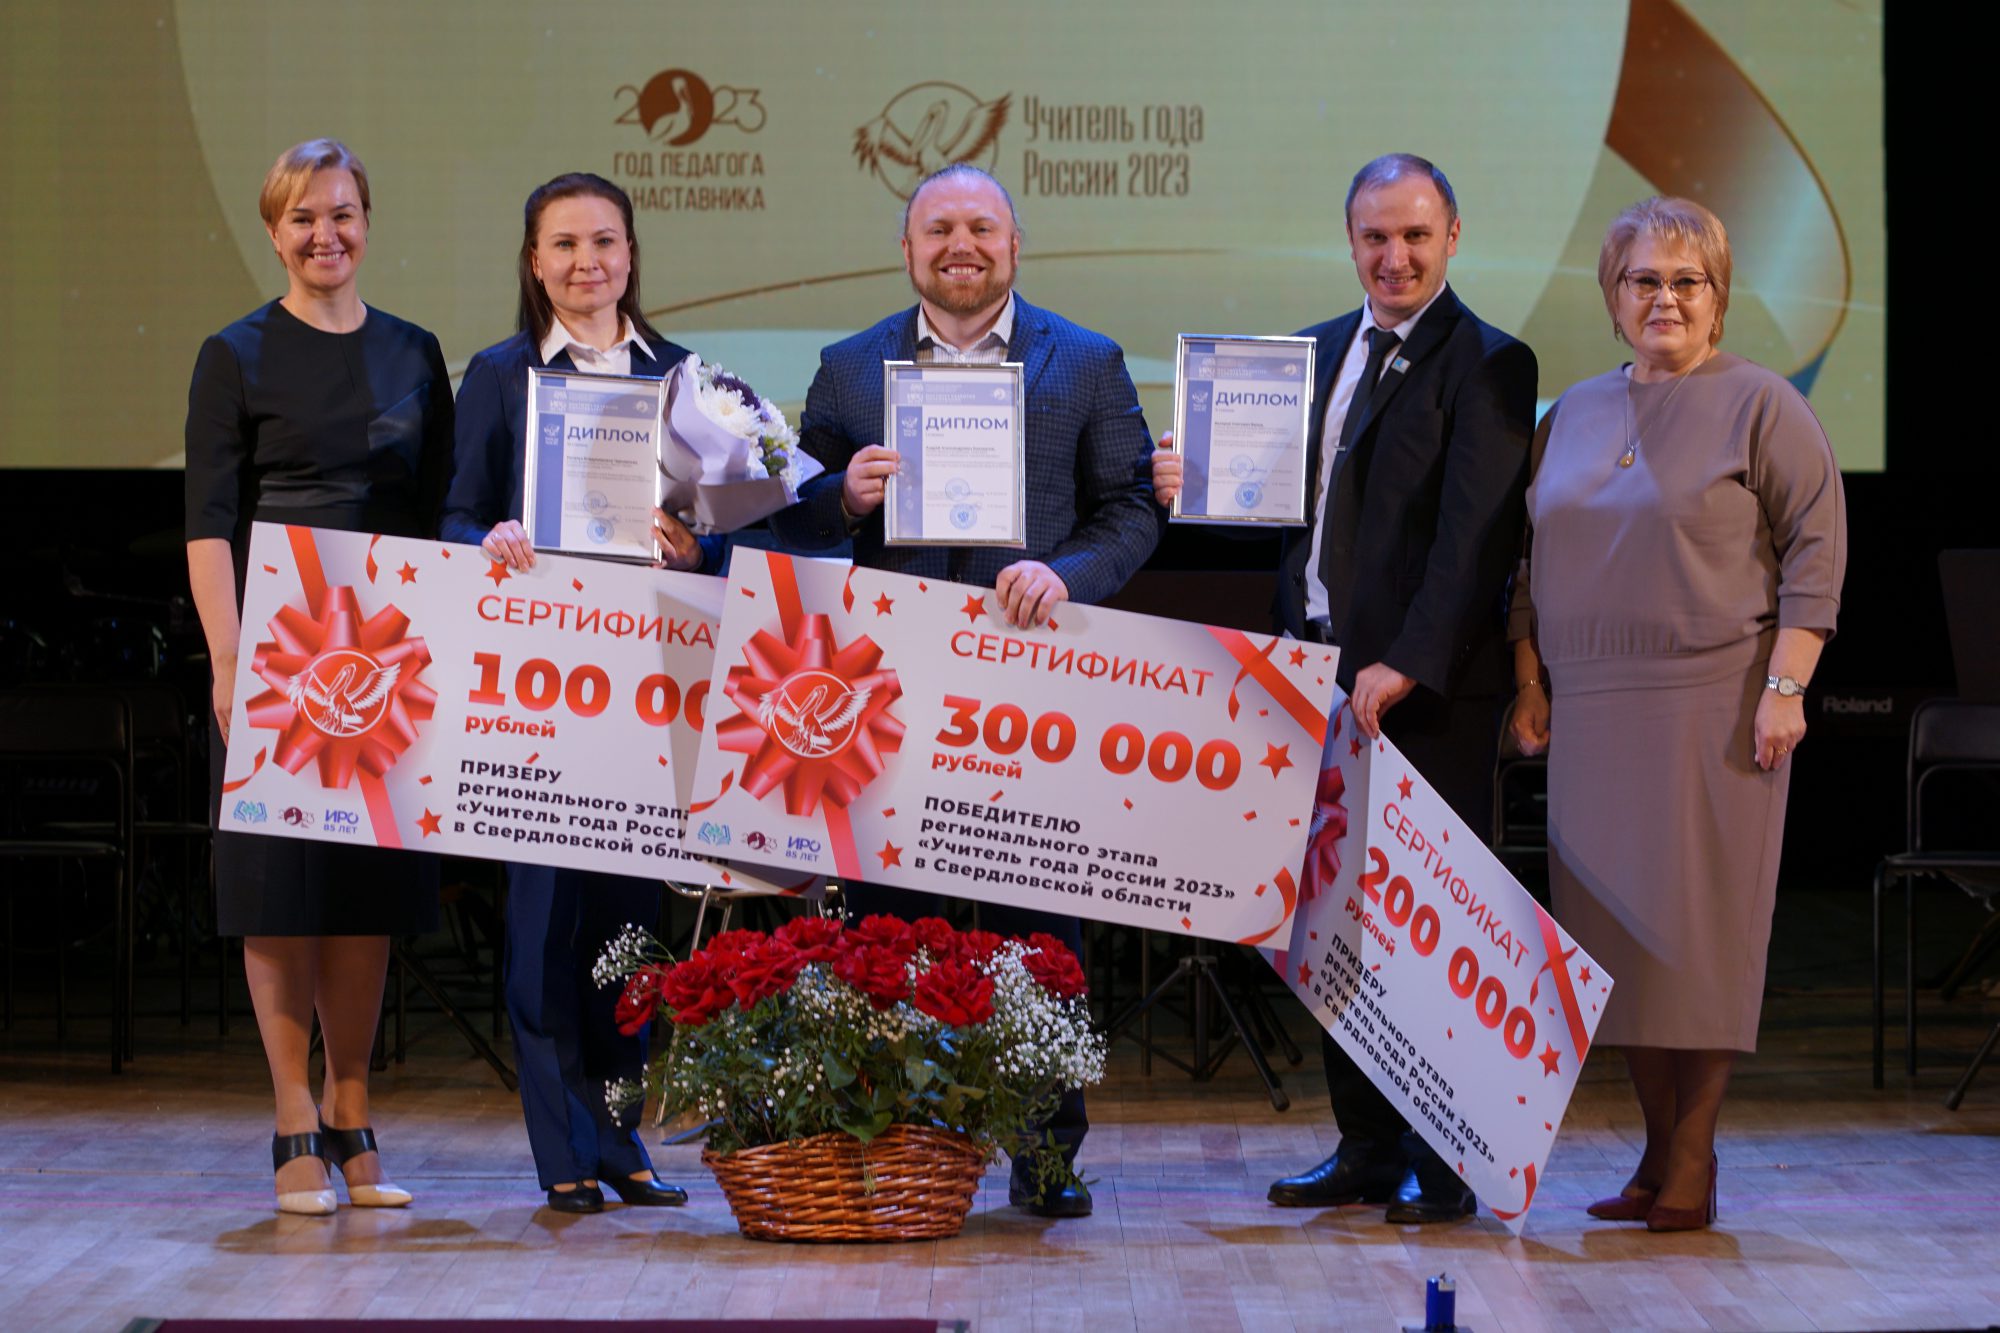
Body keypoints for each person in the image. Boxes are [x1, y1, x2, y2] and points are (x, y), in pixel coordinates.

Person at [770, 163, 1162, 1217]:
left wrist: (1065, 573)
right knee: (887, 926)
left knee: (1038, 925)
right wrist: (842, 497)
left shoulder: (1085, 360)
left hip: (1029, 688)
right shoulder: (848, 368)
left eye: (981, 228)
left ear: (1014, 245)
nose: (961, 246)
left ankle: (1046, 1152)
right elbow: (792, 513)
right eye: (938, 228)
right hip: (887, 693)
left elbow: (1131, 509)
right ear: (907, 250)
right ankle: (894, 1140)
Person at [1154, 153, 1536, 1223]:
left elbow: (1474, 536)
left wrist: (1409, 656)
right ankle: (1366, 1144)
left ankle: (1444, 1158)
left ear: (1451, 236)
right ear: (1350, 240)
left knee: (1428, 936)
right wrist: (1190, 484)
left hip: (1422, 694)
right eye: (1375, 236)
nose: (1394, 256)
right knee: (1329, 925)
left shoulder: (1490, 362)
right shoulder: (1310, 353)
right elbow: (1281, 515)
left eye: (1414, 235)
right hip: (1310, 677)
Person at [1507, 197, 1845, 1232]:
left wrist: (1785, 687)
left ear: (1717, 295)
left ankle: (1692, 1156)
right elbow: (1527, 563)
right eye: (1643, 280)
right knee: (1615, 950)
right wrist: (1530, 682)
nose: (1664, 298)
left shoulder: (1763, 405)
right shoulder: (1568, 413)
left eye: (1685, 281)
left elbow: (1816, 550)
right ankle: (1654, 1156)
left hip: (1715, 704)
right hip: (1589, 712)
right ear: (1612, 298)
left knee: (1696, 947)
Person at [441, 172, 717, 1215]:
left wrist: (697, 547)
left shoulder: (682, 378)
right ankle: (560, 1145)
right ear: (534, 260)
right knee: (542, 927)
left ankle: (620, 1136)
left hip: (646, 694)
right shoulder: (500, 375)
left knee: (627, 932)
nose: (585, 261)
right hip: (538, 696)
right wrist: (491, 538)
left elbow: (729, 529)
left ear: (630, 255)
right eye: (562, 244)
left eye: (603, 241)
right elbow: (455, 516)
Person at [185, 139, 448, 1215]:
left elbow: (439, 517)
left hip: (389, 658)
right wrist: (229, 659)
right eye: (302, 218)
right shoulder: (234, 353)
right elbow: (209, 524)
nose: (324, 234)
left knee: (363, 892)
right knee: (280, 887)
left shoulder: (416, 351)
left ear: (367, 223)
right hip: (279, 660)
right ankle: (292, 1111)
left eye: (341, 214)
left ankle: (352, 1106)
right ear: (273, 231)